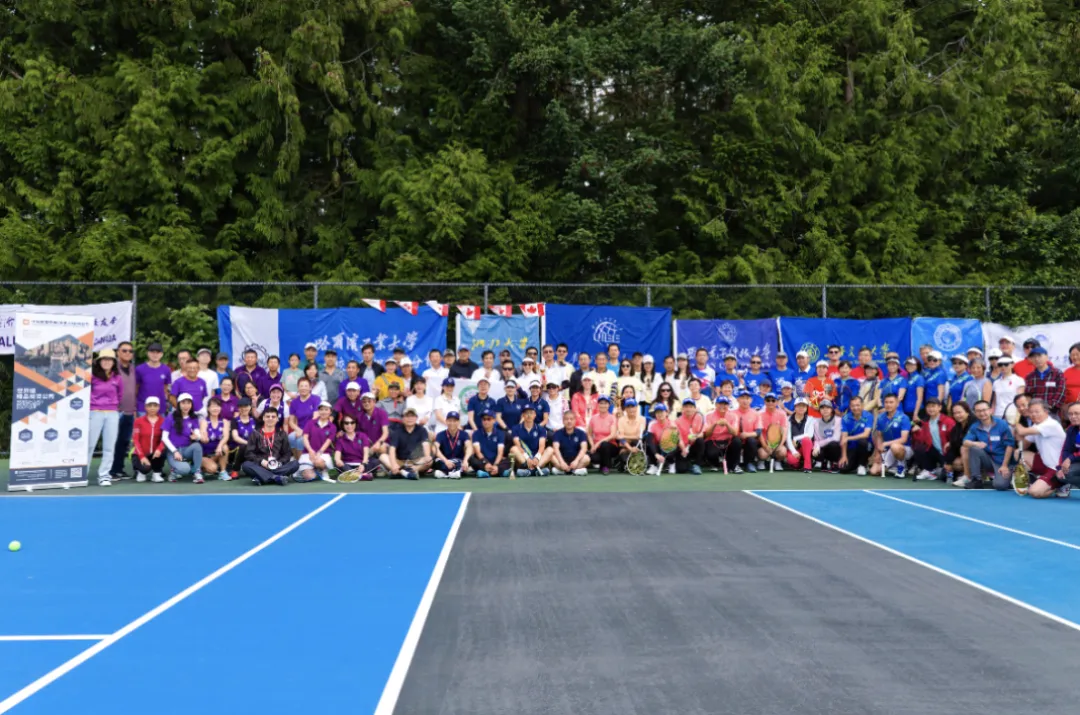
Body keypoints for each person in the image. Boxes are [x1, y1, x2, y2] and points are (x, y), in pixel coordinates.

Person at [957, 400, 1015, 490]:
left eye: (984, 410)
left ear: (990, 410)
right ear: (975, 413)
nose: (982, 413)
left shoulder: (1002, 424)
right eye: (978, 411)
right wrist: (975, 443)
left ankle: (1009, 476)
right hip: (988, 459)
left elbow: (1010, 445)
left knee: (1000, 485)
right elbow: (965, 442)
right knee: (973, 448)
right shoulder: (975, 426)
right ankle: (976, 480)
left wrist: (1004, 465)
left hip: (1002, 461)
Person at [1017, 399, 1069, 498]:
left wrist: (1015, 423)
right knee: (1018, 454)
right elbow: (1023, 445)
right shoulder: (1036, 425)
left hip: (1057, 468)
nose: (1033, 414)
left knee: (1034, 492)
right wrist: (1018, 437)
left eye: (1037, 411)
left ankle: (1061, 483)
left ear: (1046, 411)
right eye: (1031, 412)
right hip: (1045, 464)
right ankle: (1038, 480)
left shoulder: (1051, 424)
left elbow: (1022, 431)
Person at [87, 348, 124, 487]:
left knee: (109, 446)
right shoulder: (92, 376)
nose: (107, 362)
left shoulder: (117, 377)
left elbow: (120, 395)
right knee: (90, 445)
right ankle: (82, 473)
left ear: (113, 362)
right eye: (104, 359)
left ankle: (104, 475)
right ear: (99, 361)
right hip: (95, 412)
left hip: (112, 413)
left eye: (110, 360)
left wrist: (113, 406)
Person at [241, 407, 297, 486]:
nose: (270, 419)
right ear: (263, 418)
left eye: (273, 417)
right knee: (246, 465)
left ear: (277, 419)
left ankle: (263, 477)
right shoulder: (255, 433)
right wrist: (262, 462)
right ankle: (276, 477)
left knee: (295, 464)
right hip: (261, 466)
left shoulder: (282, 434)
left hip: (277, 466)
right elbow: (249, 453)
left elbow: (287, 453)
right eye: (267, 416)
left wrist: (279, 463)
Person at [108, 341, 138, 481]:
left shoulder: (133, 369)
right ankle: (110, 471)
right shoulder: (112, 368)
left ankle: (118, 469)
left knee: (124, 442)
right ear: (118, 352)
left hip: (129, 412)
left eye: (130, 351)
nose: (127, 353)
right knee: (112, 442)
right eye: (124, 350)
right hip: (115, 411)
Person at [910, 397, 955, 481]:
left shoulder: (948, 421)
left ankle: (942, 469)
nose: (931, 409)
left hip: (948, 453)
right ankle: (929, 470)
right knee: (919, 447)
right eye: (928, 406)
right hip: (935, 452)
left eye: (933, 406)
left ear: (940, 407)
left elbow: (954, 440)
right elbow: (921, 440)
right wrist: (917, 431)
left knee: (945, 477)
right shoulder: (925, 423)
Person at [163, 394, 204, 483]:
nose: (186, 406)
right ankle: (174, 471)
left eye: (188, 403)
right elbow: (164, 437)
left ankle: (197, 472)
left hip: (186, 449)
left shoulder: (193, 417)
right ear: (179, 404)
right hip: (173, 452)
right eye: (183, 403)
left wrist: (196, 437)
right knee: (185, 469)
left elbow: (198, 434)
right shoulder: (171, 416)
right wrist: (175, 451)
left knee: (197, 446)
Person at [381, 408, 431, 479]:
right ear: (403, 418)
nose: (410, 418)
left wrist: (427, 456)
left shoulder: (422, 430)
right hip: (401, 462)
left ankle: (408, 471)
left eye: (412, 416)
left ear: (416, 418)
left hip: (416, 462)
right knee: (383, 456)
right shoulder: (397, 432)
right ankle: (405, 473)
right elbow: (392, 449)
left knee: (429, 459)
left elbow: (425, 444)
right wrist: (394, 464)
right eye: (407, 416)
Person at [870, 394, 912, 478]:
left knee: (895, 446)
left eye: (891, 402)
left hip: (904, 449)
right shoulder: (880, 418)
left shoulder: (903, 418)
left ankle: (902, 466)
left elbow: (903, 439)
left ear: (897, 403)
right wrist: (878, 453)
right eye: (886, 402)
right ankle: (892, 467)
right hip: (888, 449)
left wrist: (886, 443)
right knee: (873, 471)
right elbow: (879, 436)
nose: (888, 405)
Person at [298, 402, 337, 482]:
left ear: (330, 412)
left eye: (326, 410)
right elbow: (305, 438)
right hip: (308, 453)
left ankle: (323, 470)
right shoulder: (310, 423)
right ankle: (315, 472)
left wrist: (319, 453)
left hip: (323, 454)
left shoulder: (332, 427)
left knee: (318, 462)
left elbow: (328, 442)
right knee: (309, 476)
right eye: (321, 409)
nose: (323, 412)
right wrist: (310, 450)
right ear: (318, 411)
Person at [131, 396, 167, 483]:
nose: (152, 408)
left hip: (155, 454)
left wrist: (159, 449)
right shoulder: (138, 421)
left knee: (163, 451)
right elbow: (136, 440)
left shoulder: (163, 421)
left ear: (159, 407)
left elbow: (164, 439)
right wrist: (142, 456)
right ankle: (140, 472)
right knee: (145, 469)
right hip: (141, 453)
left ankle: (156, 473)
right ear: (145, 407)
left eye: (155, 406)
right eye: (149, 406)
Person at [1024, 347, 1066, 416]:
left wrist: (1050, 406)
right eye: (1033, 357)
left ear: (1046, 357)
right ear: (1030, 359)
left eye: (1039, 356)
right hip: (1034, 413)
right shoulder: (1029, 377)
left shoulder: (1057, 373)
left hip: (1052, 411)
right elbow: (1027, 395)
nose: (1037, 359)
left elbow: (1061, 392)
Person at [511, 405, 552, 476]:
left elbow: (542, 447)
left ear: (535, 415)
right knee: (513, 449)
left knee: (550, 450)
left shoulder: (541, 429)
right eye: (526, 413)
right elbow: (518, 445)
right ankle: (535, 471)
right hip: (524, 457)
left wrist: (537, 458)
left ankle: (530, 471)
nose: (529, 415)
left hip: (537, 458)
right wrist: (527, 458)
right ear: (523, 415)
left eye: (531, 413)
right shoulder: (515, 428)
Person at [198, 397, 232, 480]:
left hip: (217, 452)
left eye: (217, 406)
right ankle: (199, 466)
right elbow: (202, 435)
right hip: (205, 454)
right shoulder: (204, 422)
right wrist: (204, 438)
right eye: (213, 406)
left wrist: (219, 446)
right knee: (213, 469)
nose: (215, 408)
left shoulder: (224, 421)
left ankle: (223, 472)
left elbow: (226, 436)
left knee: (225, 447)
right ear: (208, 408)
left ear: (220, 408)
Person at [838, 396, 873, 475]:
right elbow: (844, 438)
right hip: (852, 447)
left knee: (862, 442)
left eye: (858, 405)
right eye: (853, 406)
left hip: (866, 446)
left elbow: (866, 434)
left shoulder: (868, 416)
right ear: (850, 407)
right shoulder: (845, 418)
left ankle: (862, 465)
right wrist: (844, 456)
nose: (855, 408)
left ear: (862, 405)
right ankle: (855, 464)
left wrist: (849, 438)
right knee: (843, 468)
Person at [467, 412, 508, 478]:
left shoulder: (500, 433)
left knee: (509, 459)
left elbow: (500, 453)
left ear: (494, 420)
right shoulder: (476, 433)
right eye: (484, 419)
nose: (486, 421)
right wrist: (486, 463)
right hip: (483, 461)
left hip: (496, 461)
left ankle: (488, 472)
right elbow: (478, 452)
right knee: (471, 459)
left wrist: (495, 465)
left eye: (489, 419)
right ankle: (499, 472)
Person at [136, 342, 173, 415]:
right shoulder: (139, 369)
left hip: (160, 407)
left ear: (161, 354)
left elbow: (165, 389)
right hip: (143, 407)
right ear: (148, 353)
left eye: (158, 352)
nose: (155, 355)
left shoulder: (166, 370)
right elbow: (136, 388)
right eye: (152, 352)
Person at [550, 411, 590, 475]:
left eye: (571, 419)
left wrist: (576, 461)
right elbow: (556, 448)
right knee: (551, 456)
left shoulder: (581, 433)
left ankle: (563, 471)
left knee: (586, 458)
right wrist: (562, 462)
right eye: (566, 419)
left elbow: (584, 448)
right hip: (561, 460)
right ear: (563, 421)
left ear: (575, 420)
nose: (569, 421)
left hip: (576, 461)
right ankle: (574, 471)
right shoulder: (557, 433)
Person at [334, 414, 373, 481]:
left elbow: (366, 453)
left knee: (375, 461)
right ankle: (361, 476)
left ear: (355, 424)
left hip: (361, 465)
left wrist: (363, 464)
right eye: (346, 423)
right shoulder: (340, 440)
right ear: (343, 425)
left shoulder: (362, 436)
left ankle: (354, 475)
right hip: (348, 465)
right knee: (338, 464)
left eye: (352, 422)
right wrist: (338, 461)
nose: (349, 425)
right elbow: (337, 457)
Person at [703, 397, 737, 472]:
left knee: (737, 441)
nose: (722, 406)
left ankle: (733, 465)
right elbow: (707, 434)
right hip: (713, 440)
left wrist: (727, 424)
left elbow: (735, 433)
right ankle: (714, 464)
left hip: (727, 440)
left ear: (728, 405)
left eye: (725, 404)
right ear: (716, 405)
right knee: (711, 453)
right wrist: (715, 423)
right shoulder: (708, 415)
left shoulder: (733, 415)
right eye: (720, 404)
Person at [287, 377, 320, 454]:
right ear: (298, 388)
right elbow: (291, 421)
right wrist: (298, 429)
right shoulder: (294, 402)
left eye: (306, 386)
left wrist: (304, 431)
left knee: (300, 440)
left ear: (310, 387)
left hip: (313, 428)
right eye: (301, 386)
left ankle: (301, 460)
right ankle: (296, 459)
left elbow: (315, 418)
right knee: (290, 437)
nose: (303, 388)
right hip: (300, 429)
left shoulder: (316, 399)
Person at [644, 403, 680, 474]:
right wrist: (656, 454)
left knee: (675, 446)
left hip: (668, 446)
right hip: (657, 446)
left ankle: (671, 463)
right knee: (647, 443)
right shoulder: (652, 424)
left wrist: (675, 430)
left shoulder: (672, 424)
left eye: (662, 412)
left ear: (666, 413)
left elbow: (675, 442)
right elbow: (650, 440)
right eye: (657, 412)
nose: (660, 414)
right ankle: (654, 465)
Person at [614, 398, 648, 471]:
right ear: (625, 409)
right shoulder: (621, 420)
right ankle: (624, 462)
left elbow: (638, 437)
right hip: (626, 447)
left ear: (636, 407)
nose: (631, 409)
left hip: (637, 444)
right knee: (624, 456)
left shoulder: (642, 419)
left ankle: (632, 462)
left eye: (632, 406)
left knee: (636, 441)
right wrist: (630, 449)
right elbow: (621, 439)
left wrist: (624, 436)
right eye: (628, 407)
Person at [587, 396, 619, 474]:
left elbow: (612, 435)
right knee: (593, 457)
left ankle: (606, 467)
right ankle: (602, 464)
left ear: (609, 405)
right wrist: (592, 445)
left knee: (604, 444)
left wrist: (598, 443)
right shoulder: (593, 418)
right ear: (598, 405)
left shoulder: (612, 418)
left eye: (605, 403)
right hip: (597, 447)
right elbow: (589, 434)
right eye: (601, 403)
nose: (603, 405)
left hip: (610, 446)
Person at [1052, 402, 1080, 490]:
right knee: (1062, 474)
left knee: (1068, 471)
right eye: (1070, 414)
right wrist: (1060, 467)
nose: (1073, 416)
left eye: (1077, 413)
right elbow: (1066, 450)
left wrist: (1070, 459)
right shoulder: (1071, 429)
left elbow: (1072, 455)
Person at [756, 393, 787, 471]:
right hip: (764, 444)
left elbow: (784, 432)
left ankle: (777, 461)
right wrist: (765, 446)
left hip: (777, 442)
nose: (770, 402)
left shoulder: (782, 414)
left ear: (777, 402)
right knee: (762, 454)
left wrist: (780, 445)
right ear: (765, 401)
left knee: (782, 452)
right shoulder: (759, 414)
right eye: (768, 400)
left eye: (773, 400)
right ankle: (761, 461)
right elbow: (759, 433)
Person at [732, 390, 761, 473]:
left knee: (752, 440)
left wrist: (747, 434)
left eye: (747, 398)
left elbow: (758, 432)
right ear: (738, 400)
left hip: (748, 439)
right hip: (736, 439)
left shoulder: (756, 413)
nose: (745, 400)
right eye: (742, 398)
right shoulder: (732, 413)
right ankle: (735, 464)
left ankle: (749, 463)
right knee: (736, 441)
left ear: (751, 400)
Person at [433, 411, 468, 479]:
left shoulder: (464, 434)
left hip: (457, 460)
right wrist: (446, 461)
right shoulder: (440, 434)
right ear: (446, 421)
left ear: (458, 422)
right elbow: (435, 448)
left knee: (462, 464)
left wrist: (466, 460)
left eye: (455, 421)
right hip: (444, 460)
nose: (452, 423)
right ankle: (454, 473)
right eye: (450, 421)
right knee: (437, 462)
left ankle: (444, 474)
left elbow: (469, 447)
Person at [811, 400, 843, 473]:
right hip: (823, 447)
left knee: (833, 444)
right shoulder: (816, 423)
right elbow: (816, 439)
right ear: (819, 410)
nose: (825, 410)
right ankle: (824, 461)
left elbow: (836, 438)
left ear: (831, 409)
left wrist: (818, 444)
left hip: (835, 447)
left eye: (827, 408)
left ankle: (834, 463)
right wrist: (816, 447)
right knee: (814, 450)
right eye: (822, 408)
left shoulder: (838, 420)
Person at [785, 398, 815, 473]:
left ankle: (807, 466)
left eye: (803, 406)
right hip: (794, 447)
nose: (801, 408)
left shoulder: (810, 419)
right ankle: (800, 463)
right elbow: (788, 438)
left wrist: (796, 439)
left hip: (805, 446)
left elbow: (809, 435)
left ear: (806, 408)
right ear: (795, 407)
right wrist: (794, 451)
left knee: (806, 440)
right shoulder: (788, 419)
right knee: (792, 460)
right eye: (799, 406)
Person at [229, 397, 258, 476]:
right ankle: (235, 470)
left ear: (250, 407)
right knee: (243, 447)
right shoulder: (235, 420)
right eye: (241, 407)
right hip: (237, 448)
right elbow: (235, 437)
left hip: (251, 447)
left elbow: (258, 435)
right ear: (238, 408)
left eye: (246, 406)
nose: (243, 409)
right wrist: (248, 443)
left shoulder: (254, 420)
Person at [357, 392, 391, 458]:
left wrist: (378, 443)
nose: (366, 403)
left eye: (369, 401)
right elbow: (358, 434)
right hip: (367, 444)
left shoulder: (382, 413)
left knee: (382, 447)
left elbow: (385, 433)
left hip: (381, 443)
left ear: (374, 402)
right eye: (364, 402)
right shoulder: (359, 416)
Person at [1064, 344, 1080, 408]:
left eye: (1077, 354)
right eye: (1072, 355)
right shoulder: (1067, 372)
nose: (1075, 357)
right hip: (1069, 408)